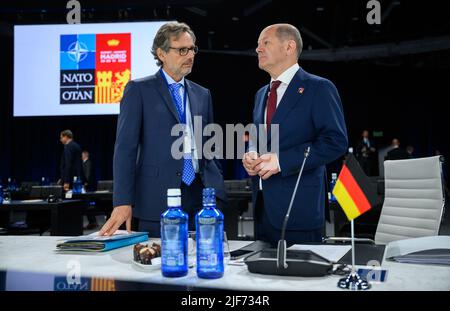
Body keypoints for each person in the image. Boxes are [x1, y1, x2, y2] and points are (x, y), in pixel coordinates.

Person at [99, 22, 226, 237]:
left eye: (192, 49)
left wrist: (216, 182)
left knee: (204, 263)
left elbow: (209, 146)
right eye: (182, 50)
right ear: (162, 53)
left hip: (201, 195)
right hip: (157, 198)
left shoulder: (202, 94)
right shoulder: (138, 90)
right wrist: (122, 201)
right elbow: (125, 149)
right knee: (158, 266)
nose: (190, 55)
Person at [242, 24, 348, 246]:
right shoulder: (261, 94)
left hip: (299, 211)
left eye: (265, 43)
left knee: (301, 280)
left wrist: (280, 161)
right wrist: (251, 153)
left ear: (289, 46)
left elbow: (335, 142)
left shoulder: (318, 88)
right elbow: (259, 137)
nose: (258, 49)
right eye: (258, 44)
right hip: (263, 211)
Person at [82, 150, 98, 230]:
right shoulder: (84, 163)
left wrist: (85, 183)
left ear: (85, 155)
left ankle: (93, 222)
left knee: (88, 206)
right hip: (86, 187)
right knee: (86, 206)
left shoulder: (88, 163)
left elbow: (87, 174)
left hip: (88, 187)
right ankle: (92, 222)